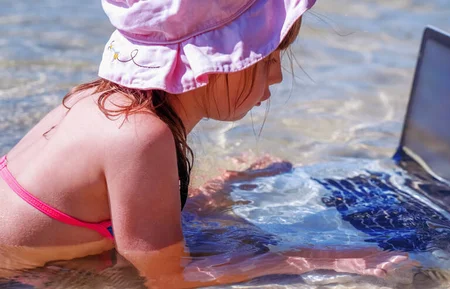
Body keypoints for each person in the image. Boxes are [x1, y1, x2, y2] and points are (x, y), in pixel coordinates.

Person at [0, 0, 411, 287]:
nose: (277, 77)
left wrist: (215, 194)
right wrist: (320, 257)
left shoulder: (98, 100)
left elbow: (125, 221)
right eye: (268, 57)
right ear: (214, 62)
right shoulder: (140, 137)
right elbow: (162, 277)